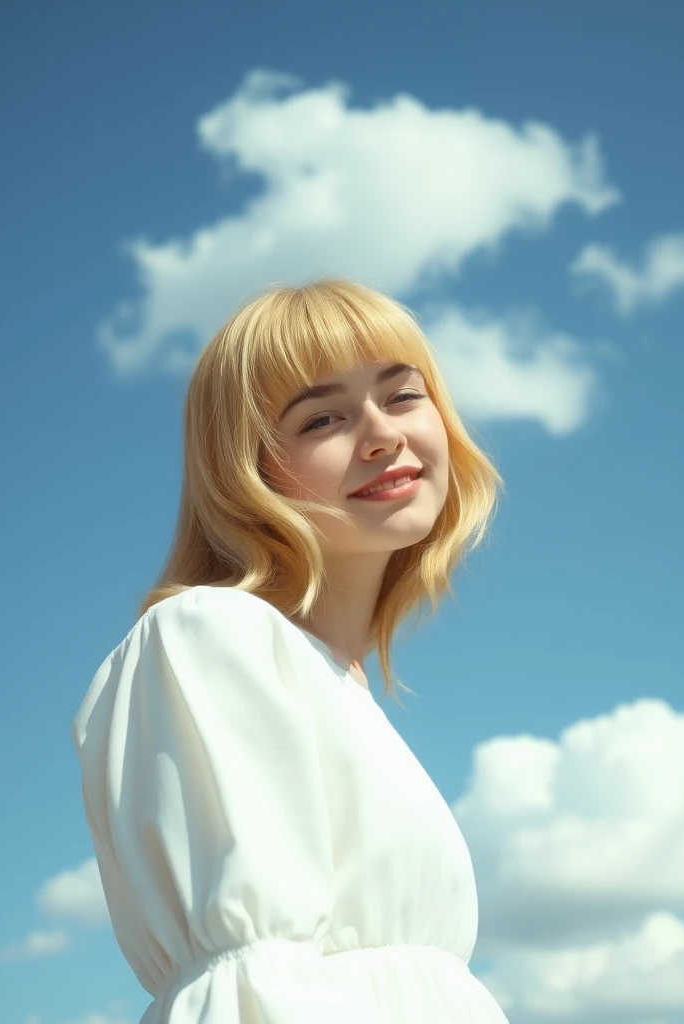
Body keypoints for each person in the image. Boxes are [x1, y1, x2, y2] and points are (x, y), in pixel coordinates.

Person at [71, 278, 509, 1022]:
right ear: (248, 469)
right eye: (323, 418)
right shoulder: (213, 634)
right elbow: (253, 982)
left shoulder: (339, 686)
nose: (382, 435)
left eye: (403, 396)